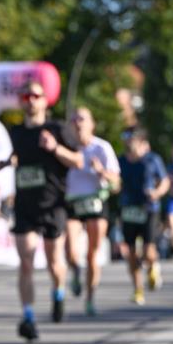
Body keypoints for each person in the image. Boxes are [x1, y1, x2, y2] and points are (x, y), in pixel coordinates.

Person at [0, 80, 82, 341]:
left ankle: (58, 293)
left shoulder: (57, 129)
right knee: (26, 262)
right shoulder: (17, 132)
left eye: (36, 95)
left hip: (53, 204)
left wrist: (55, 148)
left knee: (55, 263)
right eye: (26, 96)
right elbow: (16, 155)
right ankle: (29, 316)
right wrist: (8, 161)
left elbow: (78, 161)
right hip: (25, 206)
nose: (31, 100)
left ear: (45, 101)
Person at [64, 107, 120, 316]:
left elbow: (116, 180)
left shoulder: (101, 148)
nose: (78, 123)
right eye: (74, 119)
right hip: (73, 202)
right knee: (70, 250)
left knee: (92, 254)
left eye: (82, 119)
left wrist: (101, 172)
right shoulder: (67, 148)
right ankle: (75, 271)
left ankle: (90, 297)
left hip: (96, 202)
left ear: (91, 124)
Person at [118, 127, 170, 304]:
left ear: (140, 139)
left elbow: (165, 181)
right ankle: (138, 289)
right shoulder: (121, 161)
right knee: (131, 253)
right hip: (128, 209)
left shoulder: (152, 159)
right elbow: (116, 181)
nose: (127, 141)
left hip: (149, 208)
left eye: (130, 137)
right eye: (125, 137)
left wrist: (157, 193)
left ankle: (152, 266)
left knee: (148, 251)